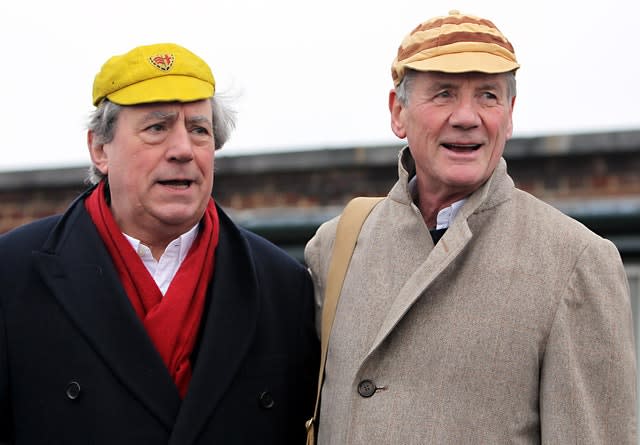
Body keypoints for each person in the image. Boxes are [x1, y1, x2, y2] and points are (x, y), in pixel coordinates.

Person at [305, 10, 636, 444]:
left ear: (510, 113)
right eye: (443, 94)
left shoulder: (574, 261)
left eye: (488, 96)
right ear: (398, 112)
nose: (467, 116)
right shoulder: (335, 246)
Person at [0, 42, 318, 444]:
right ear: (100, 149)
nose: (183, 150)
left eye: (199, 130)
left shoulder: (282, 286)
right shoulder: (13, 274)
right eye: (157, 128)